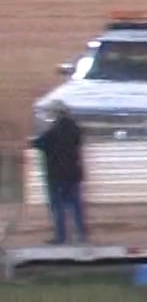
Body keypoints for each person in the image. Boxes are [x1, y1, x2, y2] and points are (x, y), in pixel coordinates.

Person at [31, 101, 87, 245]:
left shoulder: (52, 132)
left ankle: (61, 238)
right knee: (76, 206)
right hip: (73, 173)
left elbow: (38, 144)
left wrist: (42, 128)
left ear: (56, 113)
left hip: (56, 175)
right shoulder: (76, 129)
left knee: (58, 208)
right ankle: (82, 236)